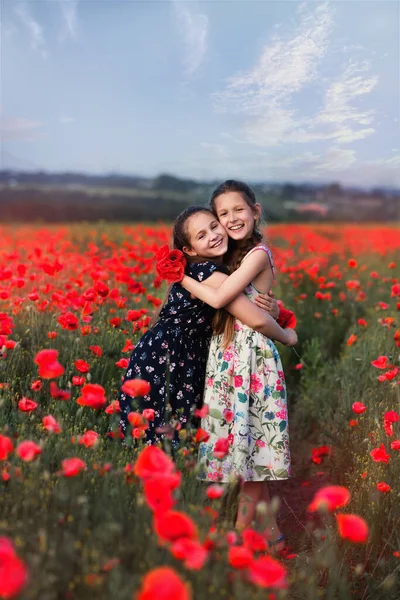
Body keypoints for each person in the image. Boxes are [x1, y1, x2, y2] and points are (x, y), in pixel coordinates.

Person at [117, 205, 297, 446]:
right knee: (169, 435)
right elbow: (255, 318)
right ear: (189, 249)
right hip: (170, 357)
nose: (213, 235)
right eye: (201, 235)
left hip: (170, 353)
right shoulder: (208, 272)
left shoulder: (204, 270)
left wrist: (275, 309)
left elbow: (253, 301)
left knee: (163, 436)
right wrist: (287, 336)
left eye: (214, 226)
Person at [180, 181, 293, 550]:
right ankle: (271, 533)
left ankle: (242, 538)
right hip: (228, 359)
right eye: (222, 214)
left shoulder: (257, 254)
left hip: (251, 361)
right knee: (241, 449)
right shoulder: (229, 258)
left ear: (255, 211)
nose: (231, 219)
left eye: (239, 210)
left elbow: (224, 299)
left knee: (251, 453)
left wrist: (179, 273)